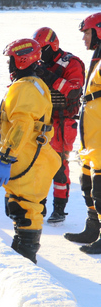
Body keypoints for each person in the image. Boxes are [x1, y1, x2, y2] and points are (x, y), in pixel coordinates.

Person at [0, 39, 59, 263]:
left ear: (20, 60)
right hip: (32, 159)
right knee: (20, 208)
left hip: (27, 159)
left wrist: (7, 157)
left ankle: (26, 260)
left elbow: (22, 125)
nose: (9, 65)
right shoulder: (34, 84)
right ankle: (20, 253)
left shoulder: (25, 87)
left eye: (11, 60)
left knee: (26, 211)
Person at [32, 27, 85, 224]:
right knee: (38, 164)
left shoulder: (71, 63)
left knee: (60, 167)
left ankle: (59, 209)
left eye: (42, 49)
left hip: (63, 121)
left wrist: (49, 77)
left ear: (52, 46)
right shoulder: (38, 64)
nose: (39, 54)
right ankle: (39, 204)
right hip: (42, 120)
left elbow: (73, 91)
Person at [65, 14, 101, 253]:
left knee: (100, 189)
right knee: (87, 183)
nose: (84, 39)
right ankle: (92, 227)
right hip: (90, 138)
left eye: (87, 33)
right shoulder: (97, 58)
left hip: (100, 139)